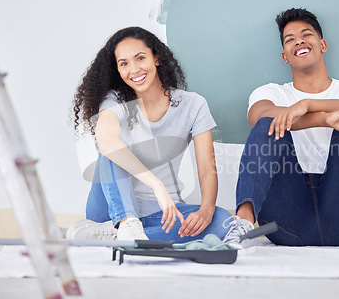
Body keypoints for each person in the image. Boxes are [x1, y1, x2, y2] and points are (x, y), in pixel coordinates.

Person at [223, 8, 339, 253]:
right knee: (268, 123)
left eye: (306, 34)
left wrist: (307, 105)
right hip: (285, 221)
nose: (298, 41)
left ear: (322, 44)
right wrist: (324, 118)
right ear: (285, 56)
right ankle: (245, 225)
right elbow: (258, 115)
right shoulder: (272, 92)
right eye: (290, 39)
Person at [69, 26, 231, 242]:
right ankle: (126, 224)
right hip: (109, 207)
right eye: (124, 63)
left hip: (161, 211)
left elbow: (206, 167)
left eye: (140, 58)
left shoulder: (193, 104)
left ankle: (115, 237)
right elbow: (106, 142)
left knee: (222, 220)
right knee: (114, 145)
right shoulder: (115, 101)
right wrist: (157, 185)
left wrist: (207, 209)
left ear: (156, 58)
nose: (134, 69)